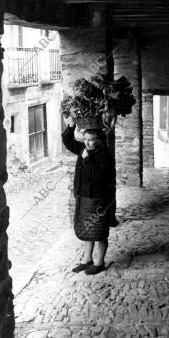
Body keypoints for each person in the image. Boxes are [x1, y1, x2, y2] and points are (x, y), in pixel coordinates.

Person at [62, 116, 116, 275]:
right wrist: (71, 126)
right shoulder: (83, 149)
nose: (87, 143)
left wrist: (86, 159)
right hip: (84, 197)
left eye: (91, 140)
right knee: (87, 230)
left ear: (98, 140)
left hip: (98, 199)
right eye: (85, 139)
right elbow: (68, 141)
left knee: (98, 232)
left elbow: (98, 176)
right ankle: (87, 260)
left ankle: (99, 262)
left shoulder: (104, 155)